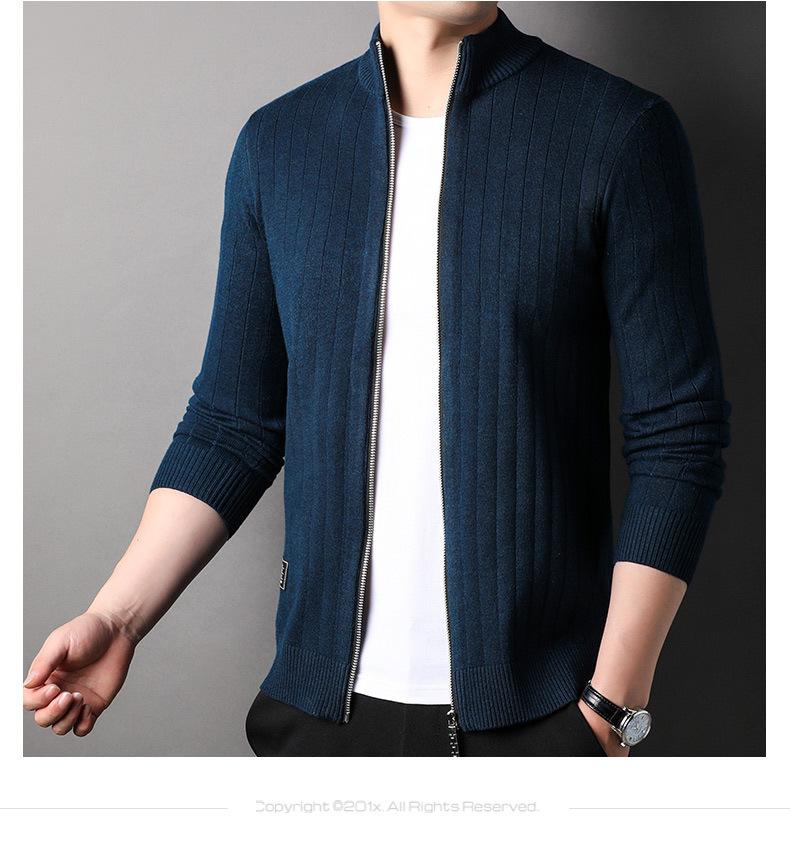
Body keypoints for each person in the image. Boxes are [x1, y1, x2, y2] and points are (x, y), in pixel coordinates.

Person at [23, 2, 731, 757]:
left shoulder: (616, 132)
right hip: (319, 717)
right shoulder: (280, 144)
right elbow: (233, 425)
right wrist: (118, 618)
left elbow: (678, 434)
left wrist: (610, 709)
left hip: (541, 718)